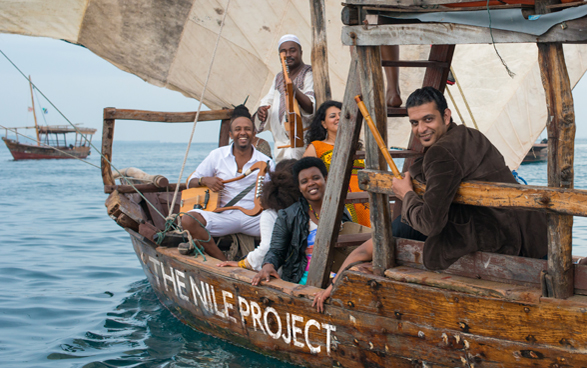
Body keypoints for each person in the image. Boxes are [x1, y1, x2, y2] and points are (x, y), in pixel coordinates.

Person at [313, 86, 547, 312]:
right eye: (414, 123)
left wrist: (406, 194)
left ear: (446, 116)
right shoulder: (470, 134)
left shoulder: (440, 152)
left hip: (499, 237)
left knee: (380, 240)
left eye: (428, 119)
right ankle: (335, 283)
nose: (421, 129)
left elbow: (429, 223)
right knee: (384, 237)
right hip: (531, 232)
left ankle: (332, 286)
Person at [181, 105, 275, 261]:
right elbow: (190, 181)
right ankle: (223, 262)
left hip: (255, 219)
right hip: (223, 216)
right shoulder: (217, 155)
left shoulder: (267, 162)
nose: (243, 133)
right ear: (231, 134)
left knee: (285, 221)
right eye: (238, 129)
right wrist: (205, 180)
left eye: (247, 129)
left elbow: (277, 193)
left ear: (254, 134)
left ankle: (266, 264)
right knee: (188, 220)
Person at [251, 157, 352, 286]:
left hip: (337, 282)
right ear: (299, 187)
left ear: (326, 179)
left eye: (316, 178)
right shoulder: (288, 215)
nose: (311, 183)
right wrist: (268, 265)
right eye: (304, 181)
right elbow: (276, 251)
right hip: (302, 283)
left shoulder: (340, 210)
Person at [216, 159, 300, 270]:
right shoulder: (306, 209)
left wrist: (243, 263)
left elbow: (266, 248)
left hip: (281, 271)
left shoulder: (270, 214)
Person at [303, 100, 370, 227]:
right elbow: (304, 178)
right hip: (336, 203)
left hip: (364, 203)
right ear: (324, 124)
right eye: (333, 116)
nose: (338, 118)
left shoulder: (355, 146)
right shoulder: (316, 147)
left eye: (341, 115)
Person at [254, 34, 315, 162]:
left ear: (300, 52)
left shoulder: (309, 73)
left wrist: (293, 89)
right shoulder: (278, 77)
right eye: (283, 52)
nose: (288, 55)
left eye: (292, 50)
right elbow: (268, 100)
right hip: (281, 145)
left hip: (302, 143)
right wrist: (262, 110)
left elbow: (310, 107)